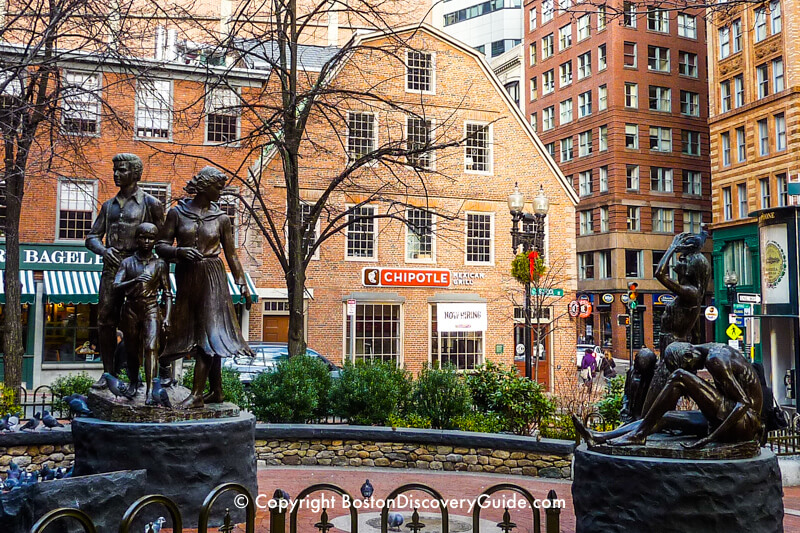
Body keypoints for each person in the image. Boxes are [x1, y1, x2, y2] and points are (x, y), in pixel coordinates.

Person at [155, 167, 253, 409]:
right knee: (197, 331)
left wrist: (242, 284)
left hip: (212, 276)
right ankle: (216, 391)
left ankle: (198, 393)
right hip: (187, 277)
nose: (221, 191)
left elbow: (232, 255)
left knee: (209, 333)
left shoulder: (222, 219)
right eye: (218, 187)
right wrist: (179, 251)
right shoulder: (177, 214)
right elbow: (160, 246)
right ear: (205, 186)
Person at [574, 343, 763, 448]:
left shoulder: (716, 360)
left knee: (679, 377)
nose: (693, 371)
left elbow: (743, 403)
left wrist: (711, 438)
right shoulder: (711, 355)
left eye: (687, 366)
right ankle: (599, 436)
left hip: (744, 423)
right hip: (727, 417)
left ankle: (638, 435)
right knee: (662, 418)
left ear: (689, 356)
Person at [86, 153, 165, 389]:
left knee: (140, 324)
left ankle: (141, 375)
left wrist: (157, 271)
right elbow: (91, 237)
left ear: (135, 173)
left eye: (121, 170)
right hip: (112, 268)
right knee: (105, 320)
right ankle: (108, 373)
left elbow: (162, 240)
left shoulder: (151, 204)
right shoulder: (108, 205)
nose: (116, 174)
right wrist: (103, 250)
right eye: (115, 170)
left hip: (139, 268)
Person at [113, 223, 173, 404]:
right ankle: (133, 382)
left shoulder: (160, 264)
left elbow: (168, 293)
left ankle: (150, 390)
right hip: (131, 308)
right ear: (137, 239)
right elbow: (116, 285)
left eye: (150, 238)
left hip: (151, 308)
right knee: (131, 350)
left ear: (155, 241)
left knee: (151, 348)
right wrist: (135, 280)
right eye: (143, 237)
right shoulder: (127, 262)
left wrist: (168, 317)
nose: (146, 241)